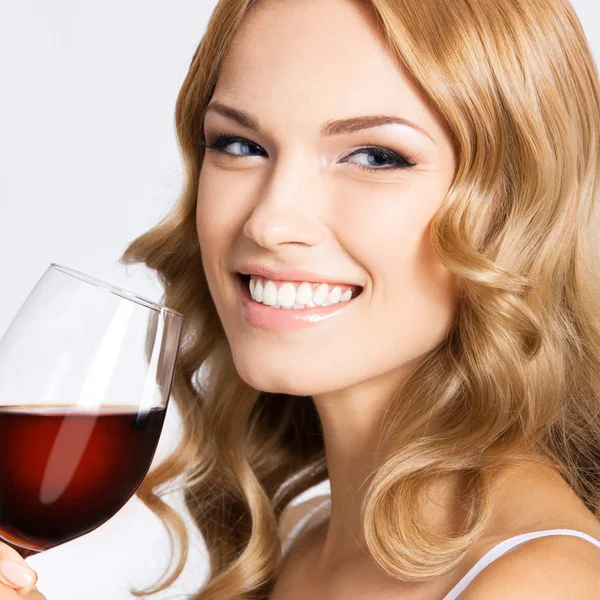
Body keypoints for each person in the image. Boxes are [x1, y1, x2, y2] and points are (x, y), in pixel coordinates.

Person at [3, 0, 600, 597]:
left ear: (529, 207)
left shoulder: (541, 582)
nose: (269, 220)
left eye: (376, 156)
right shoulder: (302, 534)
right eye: (239, 144)